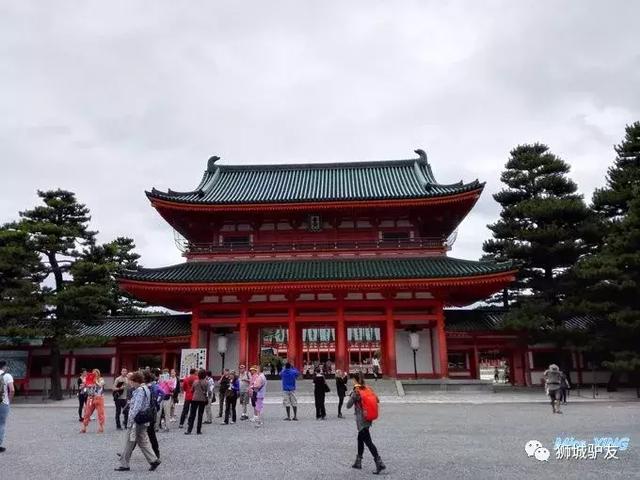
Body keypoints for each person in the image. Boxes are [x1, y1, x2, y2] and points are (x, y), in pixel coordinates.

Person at [115, 371, 161, 472]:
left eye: (131, 381)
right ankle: (153, 460)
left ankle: (124, 464)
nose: (130, 383)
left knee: (129, 441)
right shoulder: (146, 389)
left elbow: (137, 407)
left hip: (137, 420)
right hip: (144, 419)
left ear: (136, 381)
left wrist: (130, 420)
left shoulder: (140, 390)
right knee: (143, 441)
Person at [347, 372, 385, 474]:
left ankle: (379, 462)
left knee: (368, 441)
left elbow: (348, 405)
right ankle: (358, 461)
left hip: (361, 420)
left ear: (355, 380)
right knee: (360, 438)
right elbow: (377, 399)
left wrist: (351, 395)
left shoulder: (356, 391)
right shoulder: (367, 388)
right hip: (368, 417)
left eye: (353, 379)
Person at [80, 369, 106, 433]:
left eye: (96, 372)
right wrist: (83, 385)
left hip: (99, 397)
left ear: (98, 373)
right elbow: (83, 387)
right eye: (93, 373)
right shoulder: (89, 380)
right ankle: (84, 427)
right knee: (87, 413)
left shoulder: (101, 379)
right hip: (91, 397)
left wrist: (95, 381)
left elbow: (100, 385)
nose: (94, 374)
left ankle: (101, 427)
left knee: (100, 413)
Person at [144, 370, 161, 458]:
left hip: (147, 412)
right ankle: (156, 452)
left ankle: (127, 453)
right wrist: (157, 403)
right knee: (150, 434)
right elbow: (161, 394)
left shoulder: (147, 387)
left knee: (148, 433)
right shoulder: (155, 386)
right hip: (152, 411)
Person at [186, 369, 208, 435]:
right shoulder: (206, 382)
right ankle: (198, 430)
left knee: (192, 414)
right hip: (202, 400)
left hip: (195, 399)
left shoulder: (195, 382)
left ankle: (189, 430)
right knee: (200, 415)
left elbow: (192, 390)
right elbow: (207, 391)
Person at [0, 360, 15, 453]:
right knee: (1, 424)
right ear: (4, 367)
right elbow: (12, 390)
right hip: (3, 403)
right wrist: (9, 400)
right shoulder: (7, 375)